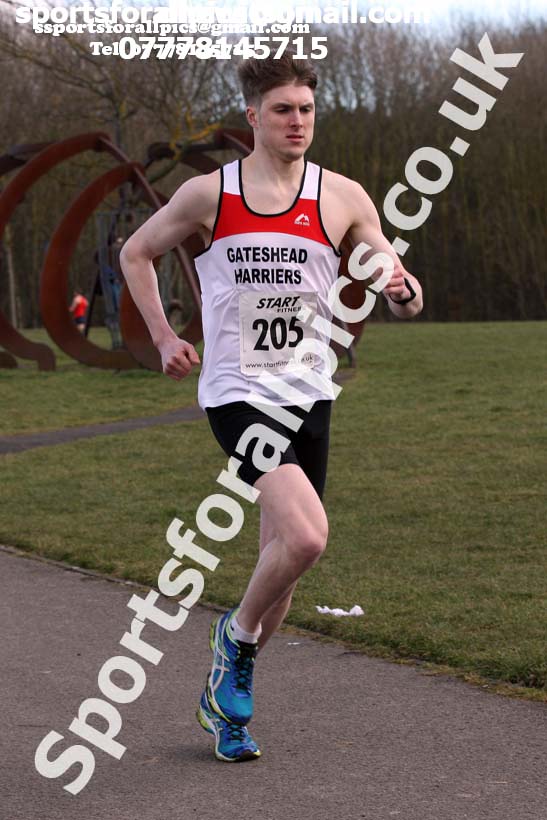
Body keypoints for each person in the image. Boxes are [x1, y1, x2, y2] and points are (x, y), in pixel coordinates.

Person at [120, 52, 423, 763]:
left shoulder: (343, 195)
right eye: (282, 109)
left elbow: (390, 270)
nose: (296, 122)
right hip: (237, 395)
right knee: (309, 537)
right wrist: (163, 337)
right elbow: (136, 252)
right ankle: (234, 640)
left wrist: (403, 290)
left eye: (306, 110)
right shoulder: (208, 194)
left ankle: (226, 710)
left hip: (308, 393)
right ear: (253, 116)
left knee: (283, 554)